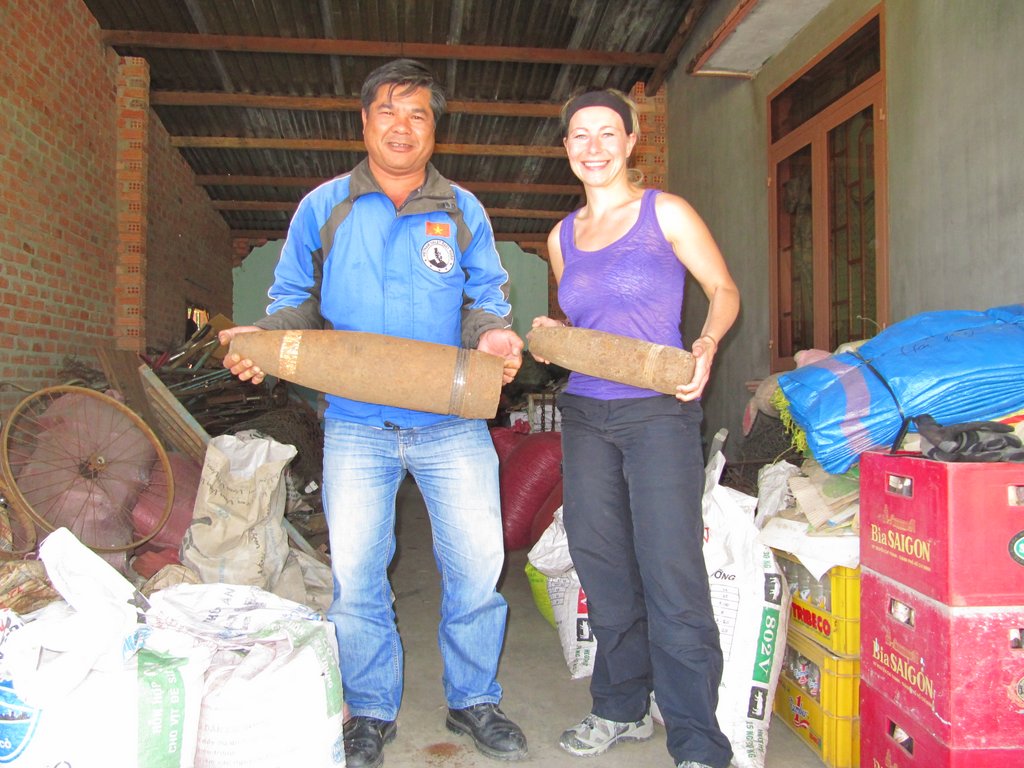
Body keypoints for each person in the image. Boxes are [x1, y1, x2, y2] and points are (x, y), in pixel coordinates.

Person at [219, 59, 528, 768]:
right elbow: (294, 301)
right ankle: (370, 708)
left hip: (451, 423)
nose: (402, 126)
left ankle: (473, 698)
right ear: (364, 122)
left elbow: (485, 300)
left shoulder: (463, 210)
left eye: (418, 114)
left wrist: (494, 336)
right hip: (357, 424)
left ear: (434, 129)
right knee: (357, 575)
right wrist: (263, 342)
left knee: (478, 566)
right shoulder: (324, 206)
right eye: (388, 111)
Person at [531, 89, 740, 768]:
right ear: (566, 148)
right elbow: (587, 326)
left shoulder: (665, 212)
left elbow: (724, 290)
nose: (593, 147)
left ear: (629, 142)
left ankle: (698, 739)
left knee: (669, 570)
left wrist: (706, 344)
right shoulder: (561, 237)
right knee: (603, 566)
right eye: (579, 135)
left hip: (658, 413)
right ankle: (620, 707)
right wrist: (554, 336)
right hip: (586, 415)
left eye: (607, 133)